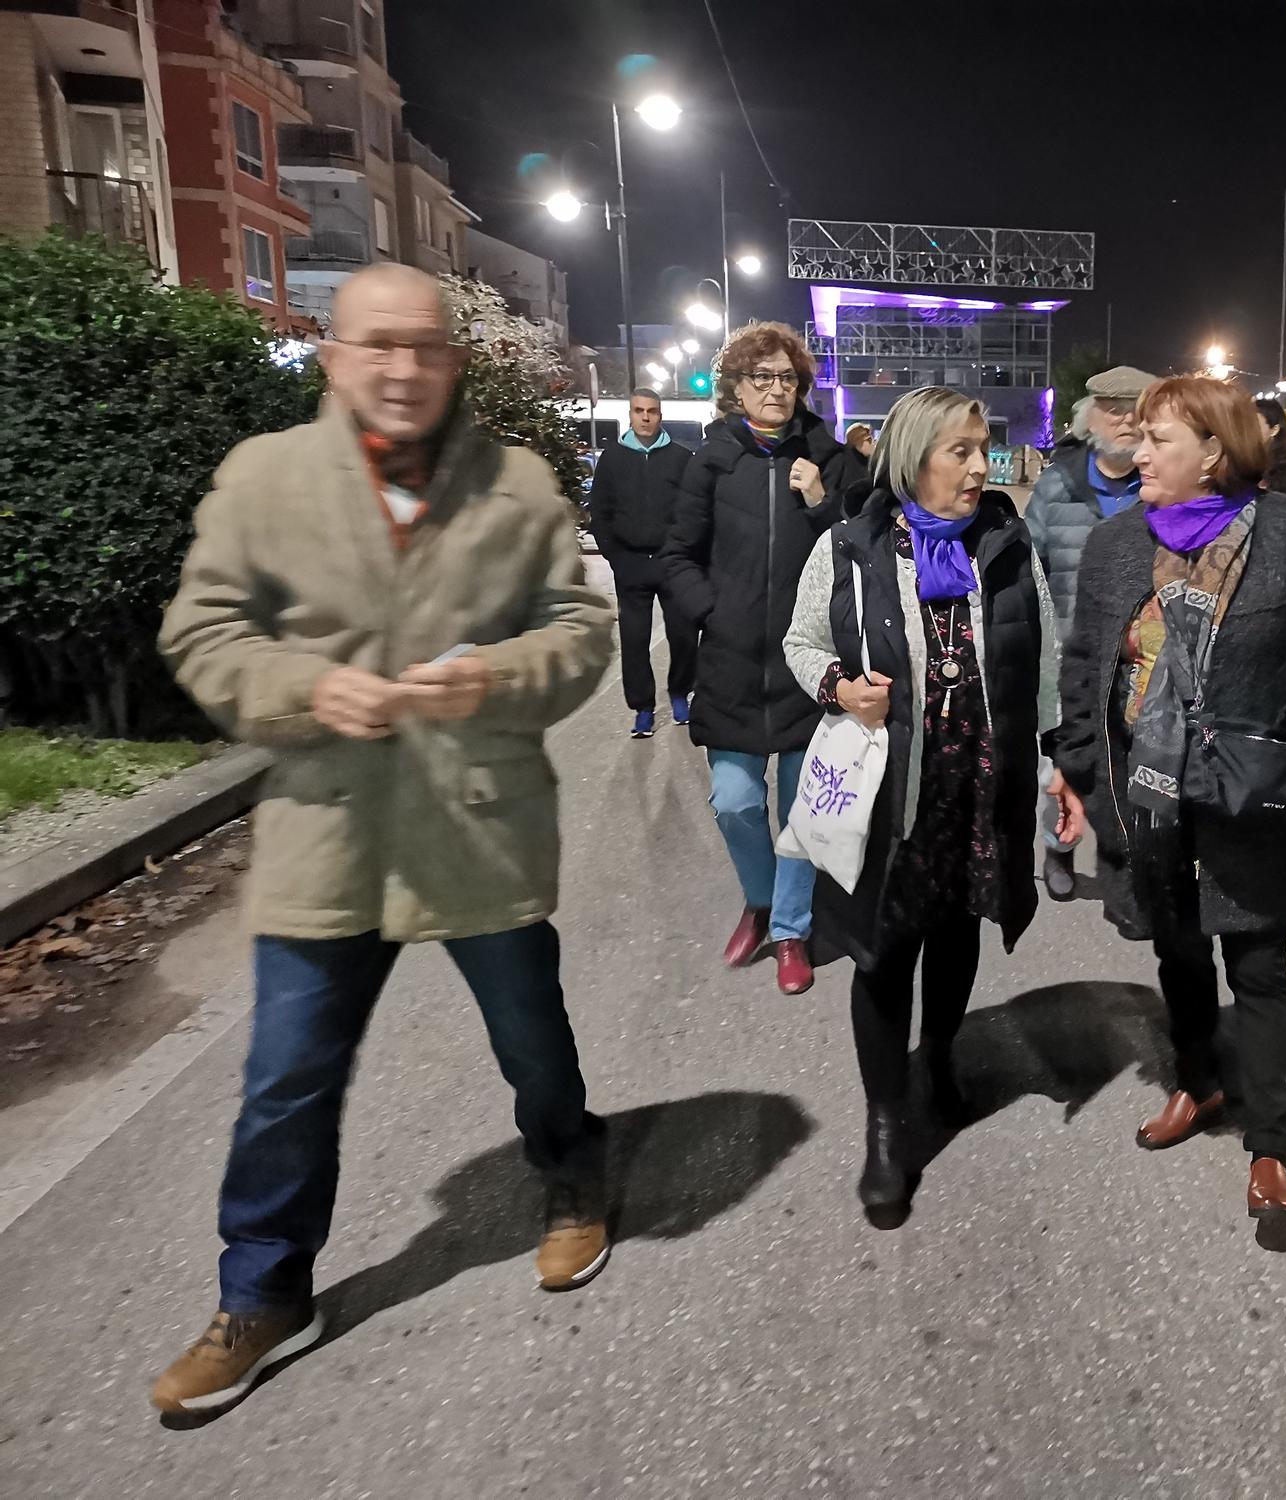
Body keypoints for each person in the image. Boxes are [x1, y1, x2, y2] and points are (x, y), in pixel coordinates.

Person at [150, 264, 613, 1417]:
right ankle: (263, 1291)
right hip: (332, 834)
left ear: (454, 361)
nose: (402, 370)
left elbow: (577, 631)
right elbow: (203, 633)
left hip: (478, 822)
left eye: (424, 347)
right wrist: (305, 687)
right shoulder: (266, 479)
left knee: (533, 1044)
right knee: (286, 1081)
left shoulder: (514, 485)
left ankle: (571, 1181)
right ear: (332, 354)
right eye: (377, 346)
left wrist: (492, 678)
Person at [1053, 376, 1286, 1240]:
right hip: (1147, 799)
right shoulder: (1119, 544)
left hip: (1253, 804)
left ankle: (1271, 1142)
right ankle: (1198, 1083)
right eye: (1140, 437)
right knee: (1180, 958)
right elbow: (1084, 668)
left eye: (1159, 439)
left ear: (1215, 454)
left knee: (1260, 970)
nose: (1138, 452)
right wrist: (1084, 770)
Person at [784, 387, 1059, 1226]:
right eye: (962, 451)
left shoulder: (1008, 547)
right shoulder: (848, 549)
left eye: (984, 449)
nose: (982, 467)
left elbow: (1040, 660)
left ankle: (939, 1055)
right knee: (882, 952)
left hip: (977, 783)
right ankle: (884, 1121)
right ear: (913, 459)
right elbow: (802, 644)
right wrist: (839, 687)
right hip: (888, 792)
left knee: (954, 931)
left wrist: (1058, 766)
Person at [663, 322, 868, 994]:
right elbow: (677, 556)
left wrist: (821, 503)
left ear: (802, 387)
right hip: (729, 663)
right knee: (736, 803)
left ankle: (788, 930)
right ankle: (760, 897)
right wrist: (714, 613)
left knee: (805, 811)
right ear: (737, 388)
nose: (776, 390)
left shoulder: (832, 461)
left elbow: (864, 553)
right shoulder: (714, 458)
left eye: (787, 379)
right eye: (763, 378)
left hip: (808, 667)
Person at [1025, 364, 1156, 900]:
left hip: (1142, 654)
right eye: (1114, 409)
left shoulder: (1160, 484)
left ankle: (1125, 860)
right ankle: (1058, 848)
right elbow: (1029, 562)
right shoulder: (1059, 484)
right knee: (1066, 759)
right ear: (1090, 418)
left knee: (1134, 759)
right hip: (1069, 653)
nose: (1126, 422)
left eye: (1137, 411)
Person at [590, 388, 695, 735]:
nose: (646, 417)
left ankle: (680, 692)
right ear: (630, 415)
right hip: (631, 563)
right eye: (639, 411)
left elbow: (693, 510)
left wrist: (685, 550)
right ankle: (643, 707)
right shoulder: (613, 458)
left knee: (683, 636)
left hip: (671, 563)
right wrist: (614, 554)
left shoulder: (681, 458)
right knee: (635, 642)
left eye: (651, 411)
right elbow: (600, 510)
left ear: (660, 415)